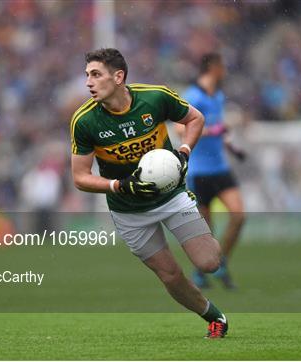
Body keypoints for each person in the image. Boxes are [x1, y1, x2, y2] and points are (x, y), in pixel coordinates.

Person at [70, 48, 228, 338]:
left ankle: (201, 230)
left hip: (171, 196)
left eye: (96, 75)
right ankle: (213, 317)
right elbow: (80, 177)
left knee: (209, 263)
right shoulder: (85, 121)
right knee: (170, 274)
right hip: (128, 210)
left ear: (119, 77)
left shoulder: (155, 97)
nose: (89, 82)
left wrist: (183, 151)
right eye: (87, 76)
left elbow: (195, 119)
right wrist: (117, 185)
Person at [182, 53, 246, 289]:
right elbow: (181, 129)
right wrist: (213, 130)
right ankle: (202, 272)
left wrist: (231, 146)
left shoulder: (217, 96)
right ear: (213, 68)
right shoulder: (193, 96)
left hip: (220, 167)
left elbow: (220, 128)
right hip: (199, 171)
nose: (225, 72)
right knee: (207, 232)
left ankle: (222, 262)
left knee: (239, 215)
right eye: (223, 67)